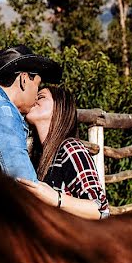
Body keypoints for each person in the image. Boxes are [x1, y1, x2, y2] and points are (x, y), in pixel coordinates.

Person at [0, 45, 62, 181]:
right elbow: (25, 181)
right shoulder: (1, 110)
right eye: (37, 85)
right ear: (24, 79)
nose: (37, 94)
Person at [18, 85, 111, 219]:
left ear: (59, 108)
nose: (34, 99)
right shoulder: (37, 157)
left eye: (41, 97)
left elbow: (101, 208)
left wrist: (56, 199)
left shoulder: (71, 148)